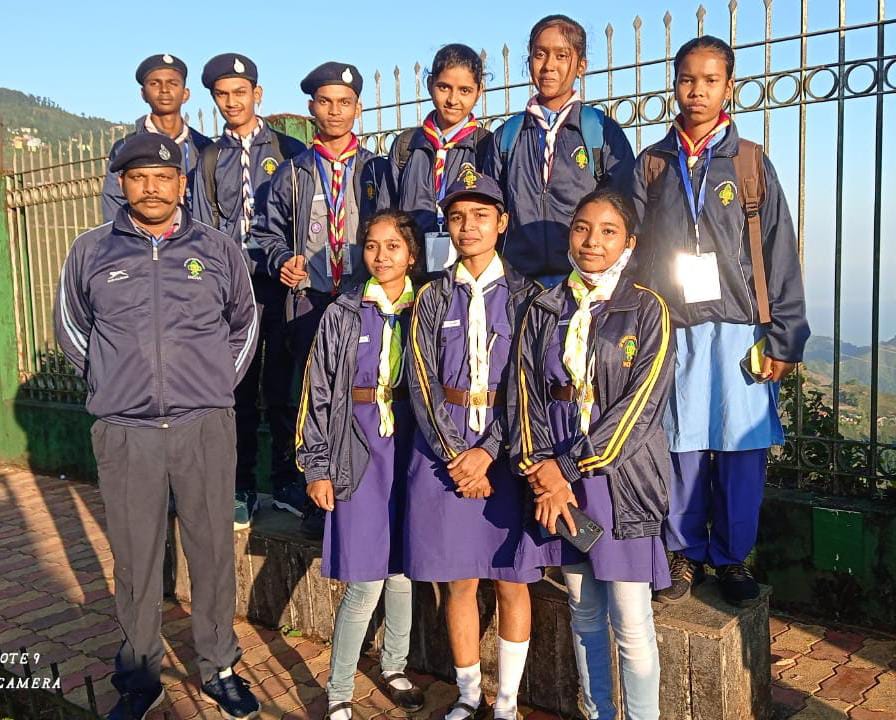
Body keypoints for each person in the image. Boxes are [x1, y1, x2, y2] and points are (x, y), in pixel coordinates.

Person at [54, 134, 260, 720]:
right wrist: (113, 384)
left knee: (212, 552)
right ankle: (141, 676)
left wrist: (212, 387)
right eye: (139, 176)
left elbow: (244, 324)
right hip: (126, 430)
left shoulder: (217, 249)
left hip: (204, 425)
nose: (151, 187)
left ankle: (218, 667)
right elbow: (72, 329)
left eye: (163, 177)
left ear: (182, 184)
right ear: (121, 183)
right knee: (135, 558)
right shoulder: (90, 250)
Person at [631, 36, 810, 607]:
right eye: (687, 79)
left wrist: (785, 336)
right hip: (672, 328)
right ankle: (683, 552)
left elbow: (780, 251)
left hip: (741, 328)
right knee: (679, 447)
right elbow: (633, 252)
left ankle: (732, 558)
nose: (697, 91)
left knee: (740, 450)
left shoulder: (749, 162)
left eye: (710, 80)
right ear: (674, 84)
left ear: (729, 87)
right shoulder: (653, 164)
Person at [510, 189, 673, 720]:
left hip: (620, 480)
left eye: (608, 231)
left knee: (631, 620)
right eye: (582, 227)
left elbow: (639, 408)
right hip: (559, 480)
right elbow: (526, 395)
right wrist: (542, 473)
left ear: (630, 242)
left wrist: (565, 468)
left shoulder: (646, 308)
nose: (592, 241)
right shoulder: (544, 306)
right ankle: (598, 710)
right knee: (583, 610)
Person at [405, 170, 540, 720]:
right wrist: (457, 454)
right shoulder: (432, 296)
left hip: (506, 451)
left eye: (481, 215)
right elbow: (421, 379)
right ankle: (468, 693)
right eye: (457, 217)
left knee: (511, 581)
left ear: (502, 222)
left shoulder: (529, 296)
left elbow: (529, 383)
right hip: (446, 449)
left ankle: (506, 701)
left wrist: (488, 452)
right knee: (458, 580)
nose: (468, 227)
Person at [297, 209, 426, 720]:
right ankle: (339, 689)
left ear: (412, 255)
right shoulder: (344, 313)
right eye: (372, 245)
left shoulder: (428, 308)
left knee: (402, 571)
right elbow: (318, 391)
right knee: (365, 579)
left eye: (393, 246)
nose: (381, 256)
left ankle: (395, 665)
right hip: (358, 447)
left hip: (410, 448)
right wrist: (317, 466)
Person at [253, 61, 390, 534]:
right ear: (312, 107)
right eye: (326, 102)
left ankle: (366, 488)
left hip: (362, 297)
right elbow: (267, 231)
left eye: (344, 102)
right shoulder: (291, 173)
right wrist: (281, 259)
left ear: (358, 108)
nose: (335, 111)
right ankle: (315, 490)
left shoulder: (376, 169)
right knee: (315, 395)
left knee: (364, 389)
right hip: (310, 300)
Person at [191, 52, 306, 529]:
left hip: (278, 284)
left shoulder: (289, 149)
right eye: (222, 94)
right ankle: (240, 484)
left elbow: (303, 215)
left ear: (257, 94)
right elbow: (201, 228)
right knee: (235, 387)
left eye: (240, 92)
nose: (232, 101)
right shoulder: (209, 159)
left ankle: (285, 480)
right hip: (231, 291)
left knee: (282, 386)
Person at [484, 14, 635, 286]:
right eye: (540, 54)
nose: (548, 66)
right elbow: (489, 208)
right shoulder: (507, 137)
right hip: (518, 284)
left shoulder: (601, 132)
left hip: (583, 282)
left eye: (561, 56)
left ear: (581, 66)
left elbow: (624, 209)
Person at [388, 43, 491, 276]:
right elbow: (387, 214)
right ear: (429, 84)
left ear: (479, 91)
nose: (453, 99)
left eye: (465, 90)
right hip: (412, 272)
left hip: (468, 272)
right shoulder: (406, 146)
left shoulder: (486, 145)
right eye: (444, 87)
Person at [102, 54, 211, 220]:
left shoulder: (204, 147)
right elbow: (114, 209)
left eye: (173, 83)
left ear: (185, 94)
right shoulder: (125, 148)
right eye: (154, 83)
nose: (164, 90)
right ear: (143, 94)